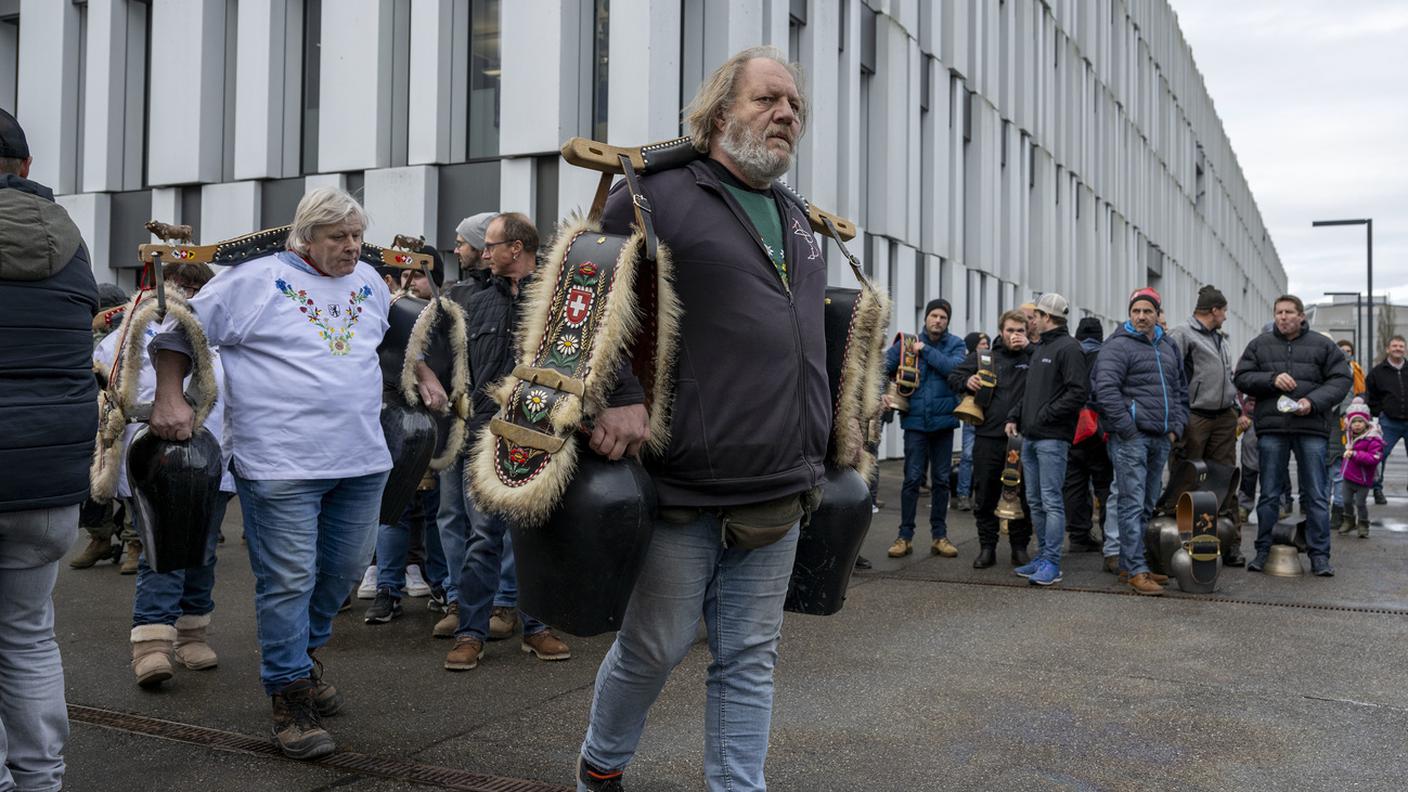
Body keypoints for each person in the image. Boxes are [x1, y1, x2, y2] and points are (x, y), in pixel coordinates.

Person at [576, 46, 832, 791]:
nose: (786, 115)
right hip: (683, 483)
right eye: (767, 100)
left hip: (782, 480)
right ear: (721, 111)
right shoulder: (651, 193)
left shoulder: (800, 217)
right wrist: (618, 390)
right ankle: (601, 766)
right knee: (653, 648)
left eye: (795, 107)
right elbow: (586, 301)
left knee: (751, 659)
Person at [148, 187, 441, 758]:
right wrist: (168, 396)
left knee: (342, 572)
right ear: (303, 237)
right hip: (279, 464)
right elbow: (178, 332)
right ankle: (289, 696)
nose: (353, 248)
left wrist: (423, 373)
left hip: (361, 459)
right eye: (338, 238)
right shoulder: (252, 281)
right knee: (288, 581)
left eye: (357, 236)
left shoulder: (368, 284)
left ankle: (300, 660)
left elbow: (384, 341)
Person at [0, 107, 98, 792]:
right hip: (48, 478)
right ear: (27, 169)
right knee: (28, 635)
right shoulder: (71, 240)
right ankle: (40, 781)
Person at [93, 263, 237, 687]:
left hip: (211, 462)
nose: (188, 290)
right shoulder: (134, 329)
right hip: (154, 464)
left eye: (197, 284)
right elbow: (110, 382)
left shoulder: (220, 333)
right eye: (180, 282)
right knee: (161, 552)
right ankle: (152, 643)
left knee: (203, 551)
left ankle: (192, 632)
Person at [442, 212, 572, 671]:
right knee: (483, 538)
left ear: (516, 248)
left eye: (493, 245)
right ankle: (471, 634)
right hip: (482, 437)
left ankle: (536, 629)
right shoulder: (471, 299)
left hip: (539, 435)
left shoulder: (554, 298)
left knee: (535, 536)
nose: (485, 252)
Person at [1233, 294, 1351, 577]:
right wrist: (1271, 379)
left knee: (1316, 495)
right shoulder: (1260, 345)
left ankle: (1319, 556)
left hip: (1311, 428)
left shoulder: (1323, 345)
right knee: (1270, 493)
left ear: (1301, 316)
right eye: (1278, 312)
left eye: (1288, 312)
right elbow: (1241, 377)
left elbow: (1342, 379)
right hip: (1273, 428)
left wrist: (1313, 401)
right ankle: (1263, 551)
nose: (1282, 317)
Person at [1092, 287, 1189, 596]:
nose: (1142, 316)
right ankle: (1136, 570)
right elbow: (1104, 390)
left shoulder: (1168, 346)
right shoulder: (1118, 346)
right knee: (1131, 504)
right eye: (1136, 311)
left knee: (1147, 504)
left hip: (1160, 437)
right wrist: (1128, 429)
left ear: (1157, 313)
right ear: (1130, 313)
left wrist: (1175, 427)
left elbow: (1179, 391)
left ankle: (1130, 563)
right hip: (1131, 438)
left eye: (1148, 311)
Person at [1005, 292, 1086, 587]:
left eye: (1036, 315)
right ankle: (1042, 557)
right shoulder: (1042, 348)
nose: (1032, 320)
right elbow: (1030, 391)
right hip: (1033, 435)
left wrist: (1044, 415)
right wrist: (1016, 415)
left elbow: (1078, 392)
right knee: (1036, 501)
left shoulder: (1069, 348)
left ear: (1047, 318)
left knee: (1051, 501)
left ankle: (1052, 561)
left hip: (1052, 438)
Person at [1165, 285, 1245, 565]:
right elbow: (1170, 376)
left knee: (1226, 477)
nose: (1225, 315)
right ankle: (1176, 540)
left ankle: (1229, 541)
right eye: (1224, 310)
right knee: (1188, 474)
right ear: (1214, 310)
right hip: (1195, 414)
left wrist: (1235, 407)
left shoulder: (1220, 338)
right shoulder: (1181, 334)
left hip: (1224, 415)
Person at [883, 298, 967, 559]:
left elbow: (956, 370)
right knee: (911, 480)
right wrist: (883, 394)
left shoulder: (956, 344)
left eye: (943, 317)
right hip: (915, 423)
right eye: (934, 316)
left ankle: (939, 536)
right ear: (926, 318)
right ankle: (904, 536)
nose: (938, 320)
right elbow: (883, 368)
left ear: (947, 321)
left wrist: (927, 352)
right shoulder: (906, 343)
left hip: (944, 423)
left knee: (941, 481)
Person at [949, 311, 1033, 568]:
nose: (1015, 335)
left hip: (1020, 438)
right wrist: (967, 380)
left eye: (1020, 330)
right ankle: (987, 548)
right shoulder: (984, 357)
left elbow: (1049, 372)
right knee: (985, 495)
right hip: (987, 436)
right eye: (1010, 330)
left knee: (1023, 496)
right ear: (1000, 330)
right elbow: (953, 377)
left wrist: (1031, 349)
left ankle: (1020, 548)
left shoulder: (1034, 356)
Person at [1064, 317, 1111, 559]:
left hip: (1071, 426)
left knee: (1074, 483)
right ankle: (1108, 535)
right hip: (1099, 428)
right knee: (1104, 484)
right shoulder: (1106, 355)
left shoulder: (1070, 353)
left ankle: (1078, 537)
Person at [1366, 335, 1408, 505]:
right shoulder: (1377, 372)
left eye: (1401, 346)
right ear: (1388, 349)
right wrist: (1380, 411)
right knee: (1379, 456)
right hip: (1389, 422)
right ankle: (1377, 488)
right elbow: (1370, 395)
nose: (1398, 348)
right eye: (1395, 346)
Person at [953, 331, 990, 512]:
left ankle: (982, 496)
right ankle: (963, 495)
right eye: (981, 344)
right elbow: (956, 379)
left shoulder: (992, 361)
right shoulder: (970, 362)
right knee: (967, 456)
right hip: (973, 414)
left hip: (990, 416)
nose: (985, 347)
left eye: (987, 344)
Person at [1339, 398, 1382, 539]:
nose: (1357, 425)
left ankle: (1363, 524)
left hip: (1363, 479)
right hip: (1348, 477)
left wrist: (1355, 454)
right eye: (1354, 422)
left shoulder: (1373, 439)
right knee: (1346, 501)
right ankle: (1348, 521)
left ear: (1367, 423)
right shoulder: (1349, 436)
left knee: (1360, 503)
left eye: (1360, 421)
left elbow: (1374, 458)